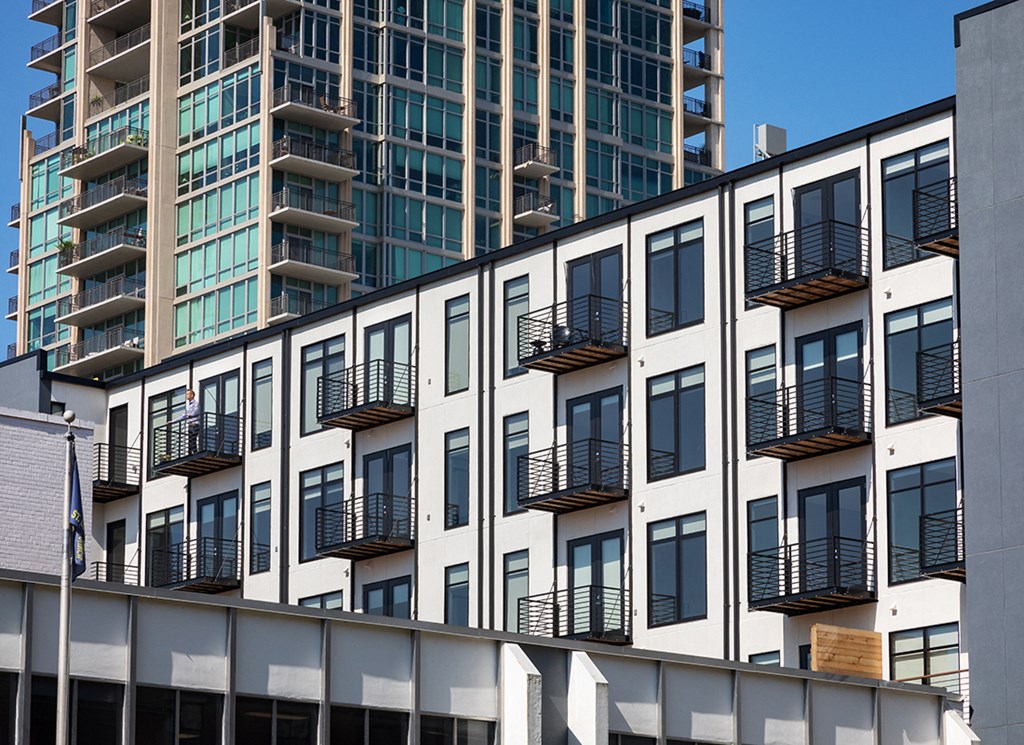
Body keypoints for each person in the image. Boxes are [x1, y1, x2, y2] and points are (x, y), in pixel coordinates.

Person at [179, 389, 201, 454]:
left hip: (195, 424)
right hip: (190, 425)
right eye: (186, 394)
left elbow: (197, 411)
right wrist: (173, 421)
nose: (186, 396)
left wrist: (191, 415)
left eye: (188, 394)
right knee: (190, 440)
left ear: (192, 395)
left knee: (193, 440)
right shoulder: (188, 406)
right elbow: (183, 416)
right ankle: (190, 453)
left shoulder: (196, 403)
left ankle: (195, 453)